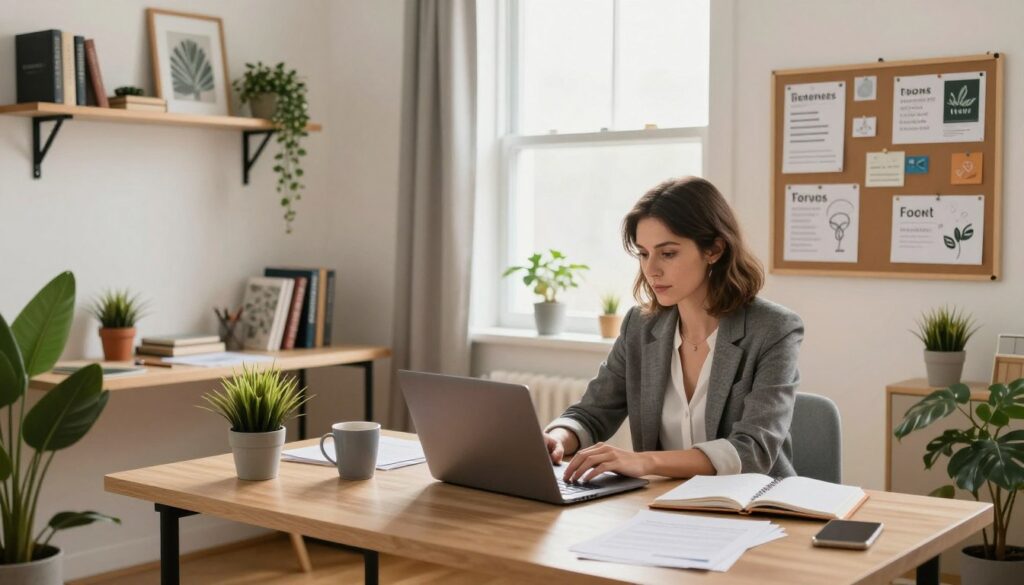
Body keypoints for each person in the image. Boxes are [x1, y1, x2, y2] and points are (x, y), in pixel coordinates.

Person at [545, 176, 804, 484]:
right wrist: (557, 438)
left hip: (753, 507)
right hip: (663, 507)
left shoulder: (774, 329)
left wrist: (645, 462)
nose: (651, 269)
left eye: (667, 253)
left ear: (714, 250)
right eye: (643, 253)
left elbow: (752, 451)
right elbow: (591, 413)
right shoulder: (639, 326)